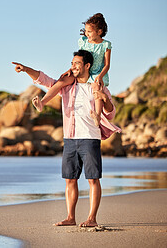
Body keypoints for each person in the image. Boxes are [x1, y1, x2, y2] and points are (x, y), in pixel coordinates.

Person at [12, 50, 121, 227]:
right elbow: (44, 79)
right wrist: (26, 69)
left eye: (77, 63)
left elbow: (111, 112)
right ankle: (70, 217)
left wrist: (104, 99)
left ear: (87, 66)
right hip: (70, 139)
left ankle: (92, 218)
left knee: (93, 179)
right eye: (72, 63)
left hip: (90, 138)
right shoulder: (67, 87)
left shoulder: (97, 86)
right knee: (70, 179)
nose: (73, 67)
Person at [32, 13, 112, 127]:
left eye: (89, 32)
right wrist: (70, 69)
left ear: (99, 32)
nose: (86, 34)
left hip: (96, 73)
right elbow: (79, 58)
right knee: (62, 81)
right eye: (86, 31)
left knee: (96, 89)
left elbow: (107, 65)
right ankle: (42, 103)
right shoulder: (84, 42)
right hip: (81, 70)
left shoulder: (105, 45)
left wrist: (100, 77)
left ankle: (97, 116)